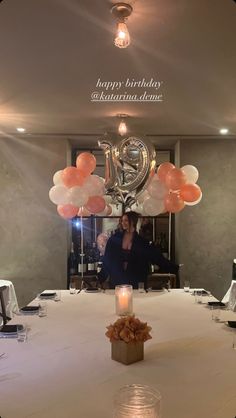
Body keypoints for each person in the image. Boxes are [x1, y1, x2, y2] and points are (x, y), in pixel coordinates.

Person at [98, 211, 179, 289]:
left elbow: (155, 256)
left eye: (126, 220)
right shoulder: (114, 239)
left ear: (133, 221)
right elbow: (108, 260)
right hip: (117, 280)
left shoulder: (141, 241)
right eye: (122, 220)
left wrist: (173, 267)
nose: (123, 223)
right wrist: (100, 278)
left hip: (136, 279)